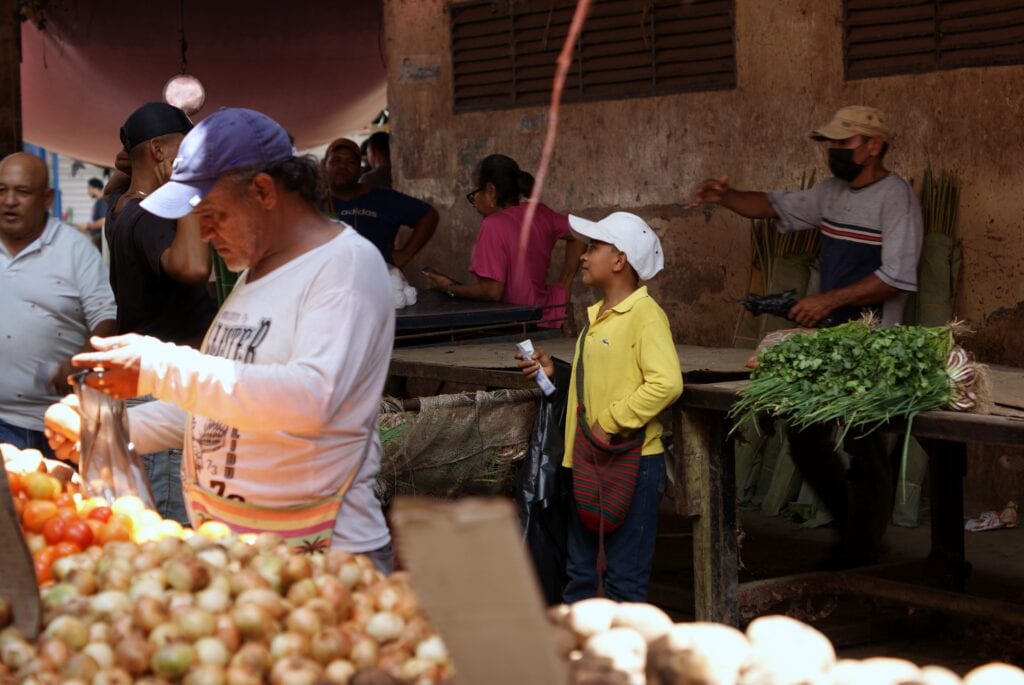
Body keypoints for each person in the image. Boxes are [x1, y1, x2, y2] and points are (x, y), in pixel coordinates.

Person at [47, 108, 396, 570]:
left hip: (327, 560)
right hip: (249, 560)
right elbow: (219, 409)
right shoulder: (255, 273)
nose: (205, 234)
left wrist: (159, 366)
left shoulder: (344, 266)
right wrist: (108, 430)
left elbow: (313, 397)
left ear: (263, 191)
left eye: (211, 215)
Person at [686, 105, 924, 567]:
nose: (833, 151)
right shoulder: (830, 193)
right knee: (804, 434)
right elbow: (774, 206)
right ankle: (851, 531)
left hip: (874, 342)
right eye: (830, 143)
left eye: (844, 143)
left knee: (864, 441)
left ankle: (863, 544)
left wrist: (827, 300)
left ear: (873, 146)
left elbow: (895, 276)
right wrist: (727, 195)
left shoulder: (896, 198)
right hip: (828, 340)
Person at [519, 212, 682, 601]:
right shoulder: (599, 317)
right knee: (580, 575)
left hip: (632, 461)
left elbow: (667, 382)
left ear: (620, 260)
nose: (583, 256)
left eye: (593, 247)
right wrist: (555, 375)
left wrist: (610, 421)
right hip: (588, 461)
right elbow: (601, 379)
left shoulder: (645, 315)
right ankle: (581, 658)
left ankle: (624, 660)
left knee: (624, 581)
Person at [0, 153, 116, 452]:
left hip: (61, 424)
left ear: (47, 198)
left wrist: (77, 363)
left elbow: (107, 320)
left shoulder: (75, 249)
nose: (9, 200)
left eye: (22, 191)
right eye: (1, 190)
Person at [424, 154, 586, 329]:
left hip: (516, 323)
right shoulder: (540, 212)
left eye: (474, 195)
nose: (475, 203)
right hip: (547, 315)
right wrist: (565, 284)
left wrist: (449, 288)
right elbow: (580, 233)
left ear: (491, 191)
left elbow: (492, 291)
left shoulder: (493, 224)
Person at [107, 102, 216, 346]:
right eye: (187, 146)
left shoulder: (119, 202)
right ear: (157, 150)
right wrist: (182, 187)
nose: (195, 156)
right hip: (173, 367)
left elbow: (114, 183)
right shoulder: (151, 212)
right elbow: (195, 268)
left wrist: (136, 160)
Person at [324, 137, 438, 269]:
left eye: (351, 162)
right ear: (324, 165)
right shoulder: (314, 203)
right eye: (336, 160)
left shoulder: (381, 198)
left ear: (360, 171)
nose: (343, 167)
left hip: (379, 280)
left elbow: (429, 215)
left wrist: (405, 254)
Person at [75, 177, 107, 250]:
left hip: (101, 242)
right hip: (97, 240)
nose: (88, 191)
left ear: (95, 189)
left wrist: (88, 226)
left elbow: (104, 221)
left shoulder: (102, 202)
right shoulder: (99, 202)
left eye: (89, 188)